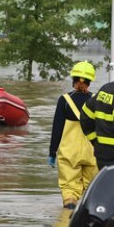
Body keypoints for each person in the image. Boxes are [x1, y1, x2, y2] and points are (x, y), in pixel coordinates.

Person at [48, 61, 99, 209]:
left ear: (74, 79)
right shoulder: (97, 100)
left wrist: (52, 152)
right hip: (93, 151)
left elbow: (57, 128)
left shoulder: (64, 100)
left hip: (69, 153)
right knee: (93, 189)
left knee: (69, 190)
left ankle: (67, 219)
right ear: (90, 81)